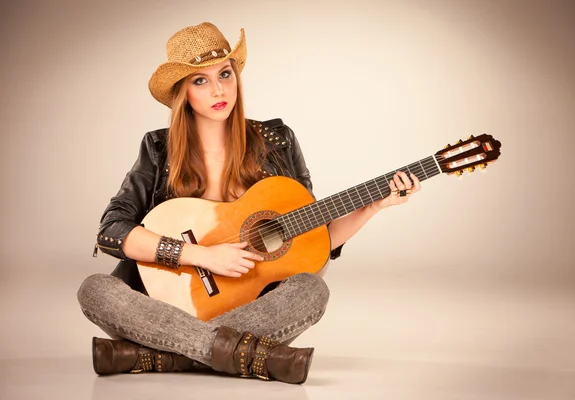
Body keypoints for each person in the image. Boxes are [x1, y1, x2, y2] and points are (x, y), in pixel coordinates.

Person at [77, 22, 421, 385]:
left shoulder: (276, 140)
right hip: (162, 305)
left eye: (225, 74)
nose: (219, 89)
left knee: (311, 289)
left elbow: (313, 238)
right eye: (200, 80)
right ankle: (244, 355)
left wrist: (373, 206)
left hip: (250, 309)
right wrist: (201, 256)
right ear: (182, 93)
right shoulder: (158, 147)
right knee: (95, 289)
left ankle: (159, 354)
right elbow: (112, 231)